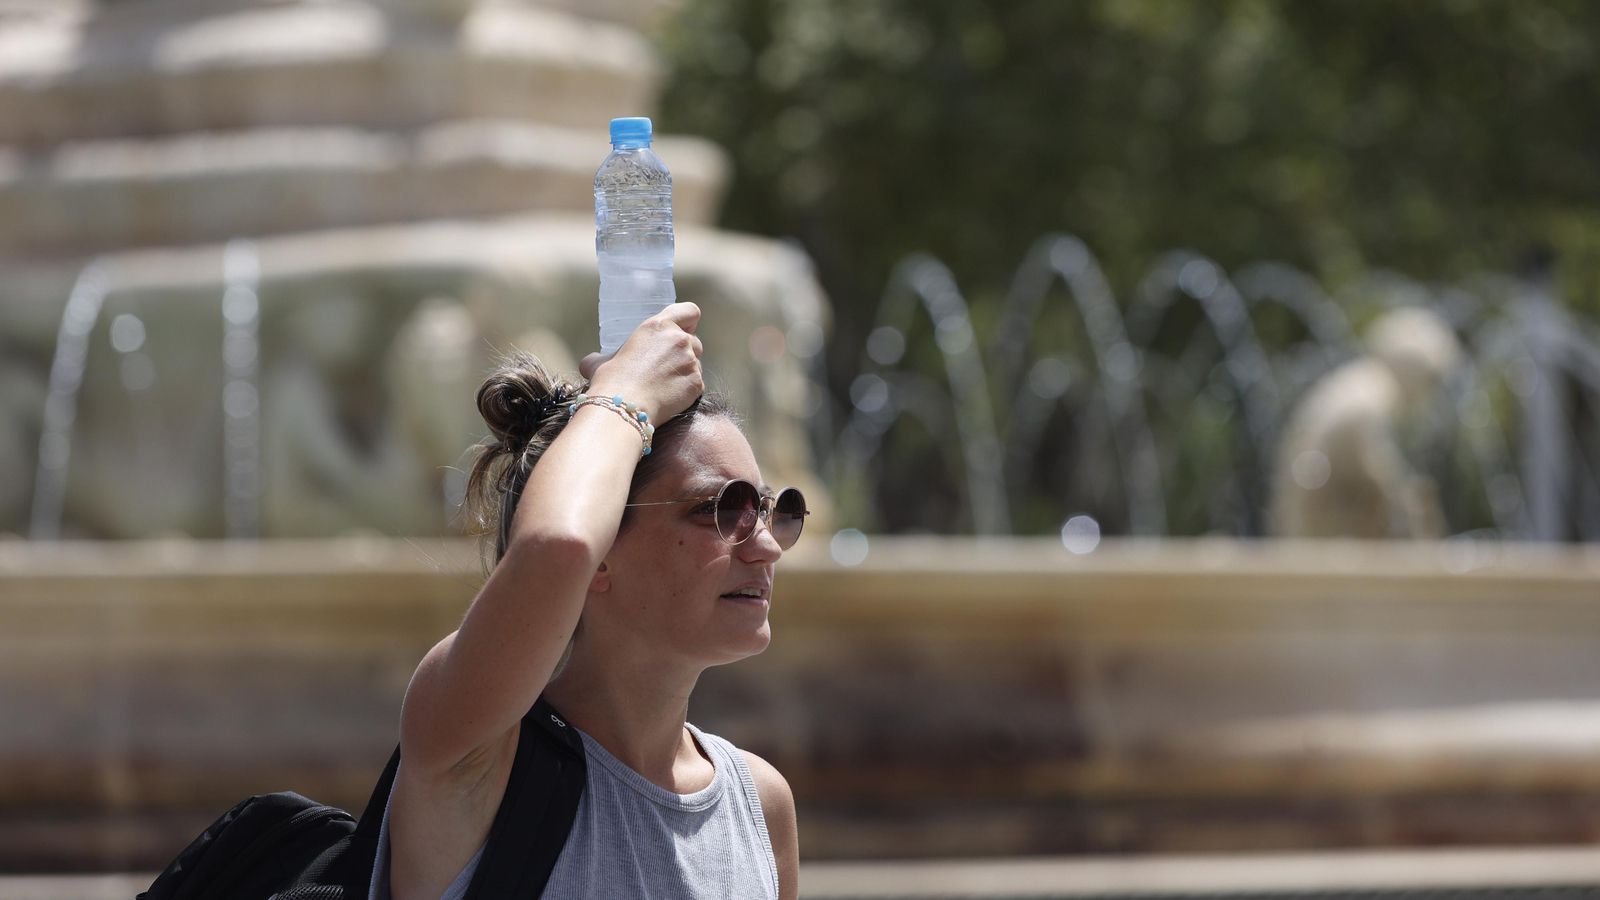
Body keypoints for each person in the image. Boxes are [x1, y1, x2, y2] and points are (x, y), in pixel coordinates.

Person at [371, 303, 803, 899]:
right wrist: (626, 393)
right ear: (600, 552)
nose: (766, 548)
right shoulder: (476, 754)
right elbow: (556, 545)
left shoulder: (761, 805)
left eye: (774, 508)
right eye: (720, 508)